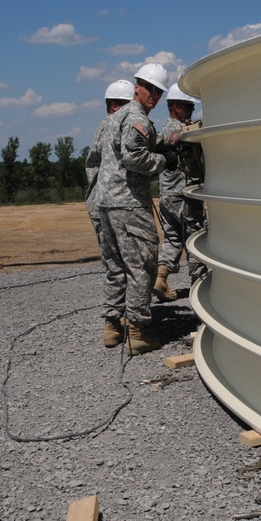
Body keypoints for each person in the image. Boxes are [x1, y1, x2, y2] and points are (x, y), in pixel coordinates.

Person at [93, 63, 176, 355]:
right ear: (136, 86)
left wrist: (168, 142)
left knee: (115, 267)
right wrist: (165, 161)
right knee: (142, 264)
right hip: (128, 204)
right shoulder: (136, 118)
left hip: (106, 203)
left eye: (159, 91)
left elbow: (138, 145)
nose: (154, 95)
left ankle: (112, 327)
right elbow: (135, 158)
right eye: (149, 88)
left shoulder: (115, 118)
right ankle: (137, 333)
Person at [84, 79, 135, 348]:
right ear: (115, 105)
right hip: (115, 203)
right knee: (131, 263)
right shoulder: (115, 126)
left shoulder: (101, 128)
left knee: (113, 266)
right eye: (128, 106)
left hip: (98, 203)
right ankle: (129, 323)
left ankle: (112, 324)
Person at [154, 84, 208, 300]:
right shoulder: (177, 130)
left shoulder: (165, 129)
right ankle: (200, 290)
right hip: (184, 195)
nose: (191, 112)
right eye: (188, 107)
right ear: (175, 107)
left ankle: (160, 276)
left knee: (172, 239)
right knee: (195, 239)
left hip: (167, 196)